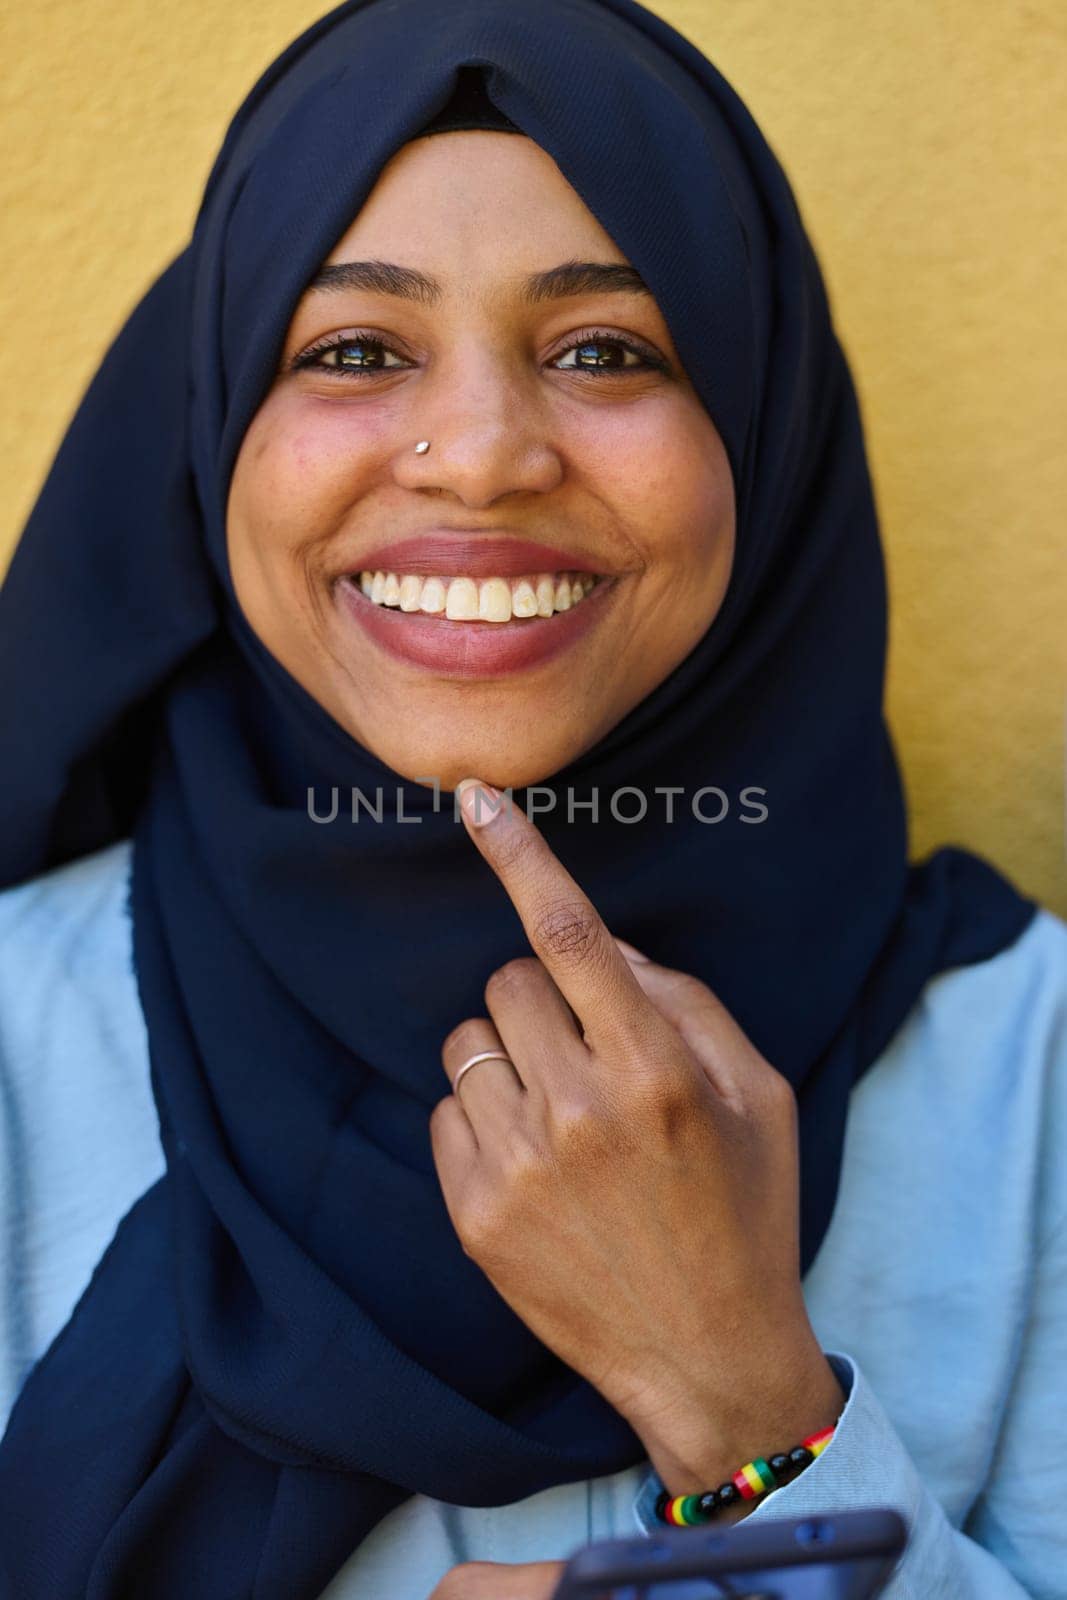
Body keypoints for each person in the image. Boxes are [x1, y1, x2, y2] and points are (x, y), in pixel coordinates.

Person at [0, 1, 1063, 1596]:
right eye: (356, 349)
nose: (485, 455)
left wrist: (746, 1403)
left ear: (765, 436)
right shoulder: (18, 1030)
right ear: (216, 421)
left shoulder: (1020, 1057)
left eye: (606, 350)